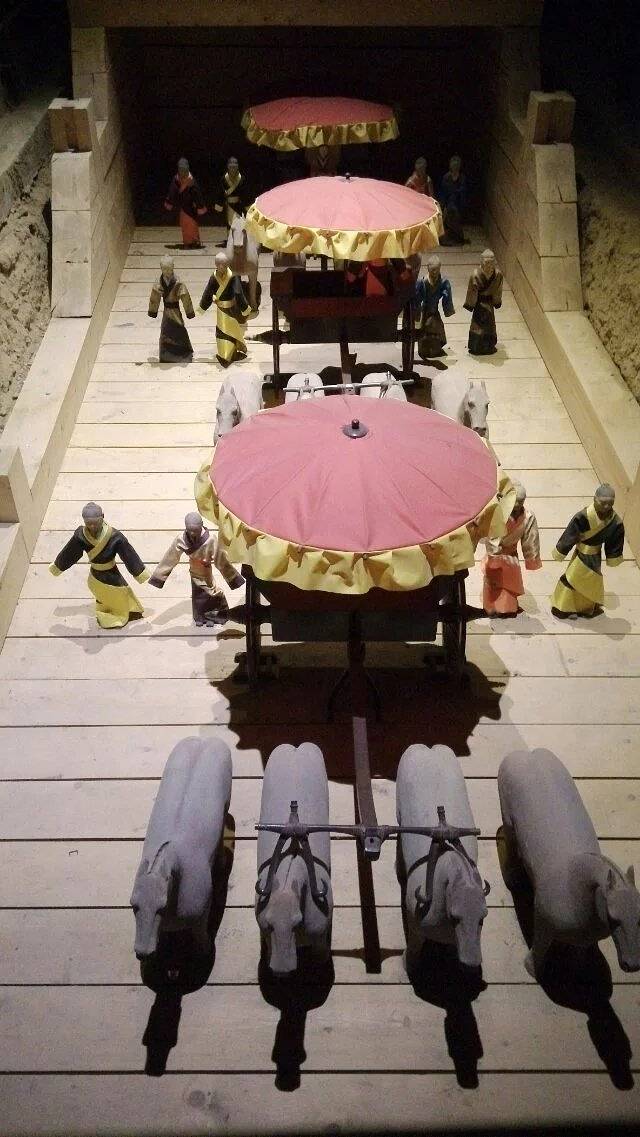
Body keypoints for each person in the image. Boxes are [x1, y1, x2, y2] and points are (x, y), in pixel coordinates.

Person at [48, 502, 149, 629]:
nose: (92, 526)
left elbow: (128, 555)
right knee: (102, 595)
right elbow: (69, 553)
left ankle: (124, 612)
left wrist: (139, 572)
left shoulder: (115, 536)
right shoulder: (80, 536)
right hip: (95, 576)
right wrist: (58, 566)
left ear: (103, 517)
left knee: (121, 592)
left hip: (112, 573)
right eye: (88, 523)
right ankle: (107, 613)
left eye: (95, 522)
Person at [148, 512, 244, 627]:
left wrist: (233, 578)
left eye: (196, 530)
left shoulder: (210, 539)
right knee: (198, 594)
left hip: (205, 569)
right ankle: (200, 617)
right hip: (194, 570)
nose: (193, 533)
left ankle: (216, 615)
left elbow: (221, 560)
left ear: (201, 525)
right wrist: (159, 577)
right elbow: (170, 557)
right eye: (190, 530)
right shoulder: (181, 539)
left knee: (211, 592)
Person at [551, 484, 625, 619]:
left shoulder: (615, 522)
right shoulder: (583, 516)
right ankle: (564, 607)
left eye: (610, 503)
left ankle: (586, 608)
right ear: (595, 499)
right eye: (603, 502)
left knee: (592, 581)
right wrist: (562, 550)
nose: (607, 506)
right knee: (572, 578)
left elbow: (615, 540)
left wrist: (613, 555)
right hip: (581, 554)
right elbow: (571, 534)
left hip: (595, 556)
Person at [482, 482, 541, 616]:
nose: (518, 504)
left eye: (521, 501)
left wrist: (531, 558)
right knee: (494, 582)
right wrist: (495, 557)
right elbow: (492, 537)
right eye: (515, 500)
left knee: (511, 582)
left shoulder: (528, 517)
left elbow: (531, 539)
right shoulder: (497, 514)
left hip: (512, 555)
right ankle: (492, 607)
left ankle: (508, 607)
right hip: (496, 554)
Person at [199, 251, 252, 367]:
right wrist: (202, 307)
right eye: (219, 264)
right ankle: (225, 354)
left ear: (227, 264)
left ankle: (230, 353)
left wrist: (244, 308)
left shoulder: (231, 276)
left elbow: (238, 293)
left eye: (223, 264)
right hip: (223, 310)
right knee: (223, 331)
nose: (221, 267)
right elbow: (208, 293)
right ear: (216, 265)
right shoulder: (216, 277)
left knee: (230, 330)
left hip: (230, 309)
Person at [148, 255, 195, 362]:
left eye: (169, 269)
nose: (167, 271)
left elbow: (185, 297)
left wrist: (189, 312)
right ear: (161, 268)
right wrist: (153, 311)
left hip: (175, 310)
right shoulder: (159, 282)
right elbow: (154, 297)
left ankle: (183, 353)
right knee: (166, 330)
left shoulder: (178, 282)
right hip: (166, 310)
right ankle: (166, 354)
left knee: (179, 328)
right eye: (164, 269)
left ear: (173, 267)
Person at [464, 249, 503, 355]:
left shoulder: (498, 275)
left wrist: (497, 301)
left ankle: (488, 346)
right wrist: (470, 304)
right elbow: (472, 290)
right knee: (477, 326)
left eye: (491, 263)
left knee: (489, 327)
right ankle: (476, 346)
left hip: (489, 304)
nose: (489, 265)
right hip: (479, 304)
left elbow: (498, 290)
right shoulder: (475, 275)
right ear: (482, 262)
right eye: (487, 263)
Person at [415, 255, 454, 359]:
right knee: (425, 329)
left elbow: (447, 297)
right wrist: (416, 313)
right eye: (432, 270)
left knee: (436, 329)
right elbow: (417, 299)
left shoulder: (443, 282)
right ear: (427, 268)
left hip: (435, 310)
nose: (435, 272)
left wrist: (448, 309)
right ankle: (424, 350)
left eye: (437, 270)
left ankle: (435, 350)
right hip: (425, 310)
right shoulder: (422, 282)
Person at [163, 157, 207, 248]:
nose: (182, 172)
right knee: (185, 225)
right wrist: (170, 202)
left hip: (191, 207)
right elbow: (172, 192)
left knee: (193, 224)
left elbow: (197, 194)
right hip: (183, 207)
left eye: (184, 170)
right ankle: (187, 242)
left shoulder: (191, 180)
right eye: (181, 169)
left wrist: (200, 205)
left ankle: (195, 241)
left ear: (187, 169)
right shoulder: (176, 179)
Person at [214, 157, 249, 231]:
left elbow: (245, 193)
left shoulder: (241, 179)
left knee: (240, 225)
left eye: (235, 165)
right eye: (231, 166)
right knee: (230, 225)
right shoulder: (224, 179)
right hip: (228, 206)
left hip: (239, 205)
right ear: (228, 167)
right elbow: (220, 193)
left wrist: (247, 205)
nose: (233, 168)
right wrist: (220, 204)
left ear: (237, 167)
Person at [439, 155, 467, 245]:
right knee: (448, 215)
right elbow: (443, 192)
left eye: (456, 166)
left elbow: (463, 190)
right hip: (448, 202)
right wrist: (442, 206)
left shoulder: (462, 177)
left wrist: (457, 193)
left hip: (457, 201)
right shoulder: (446, 177)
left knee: (455, 216)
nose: (455, 168)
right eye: (453, 166)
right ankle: (447, 239)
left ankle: (457, 238)